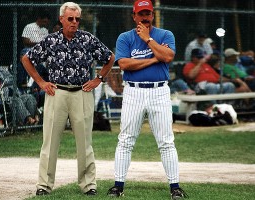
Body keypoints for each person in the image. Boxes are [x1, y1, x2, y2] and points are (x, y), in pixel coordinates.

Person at [21, 2, 115, 196]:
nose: (74, 22)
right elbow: (26, 59)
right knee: (50, 142)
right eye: (70, 19)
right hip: (57, 93)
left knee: (85, 142)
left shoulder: (87, 39)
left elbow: (109, 57)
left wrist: (98, 79)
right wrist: (40, 82)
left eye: (77, 19)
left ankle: (89, 185)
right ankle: (44, 185)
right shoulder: (51, 40)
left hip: (82, 93)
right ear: (61, 19)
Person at [106, 1, 188, 199]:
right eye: (140, 13)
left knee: (166, 141)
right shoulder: (125, 37)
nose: (144, 17)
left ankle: (175, 187)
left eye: (148, 13)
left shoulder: (165, 35)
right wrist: (153, 58)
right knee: (125, 140)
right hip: (133, 92)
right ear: (134, 16)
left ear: (153, 15)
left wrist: (148, 39)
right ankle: (118, 186)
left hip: (159, 91)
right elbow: (125, 64)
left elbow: (168, 56)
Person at [0, 53, 39, 125]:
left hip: (15, 94)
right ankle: (28, 120)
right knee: (16, 101)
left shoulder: (0, 69)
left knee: (30, 98)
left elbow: (12, 79)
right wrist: (4, 82)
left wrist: (4, 82)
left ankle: (29, 123)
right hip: (0, 98)